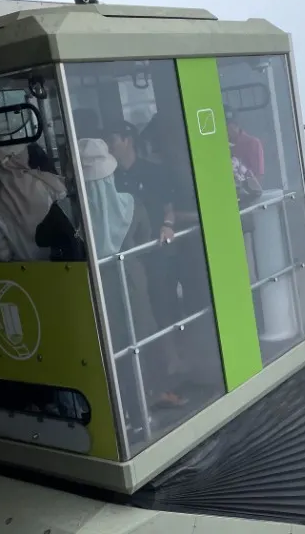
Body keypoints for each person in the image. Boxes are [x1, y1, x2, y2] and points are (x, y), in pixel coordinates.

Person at [79, 137, 185, 410]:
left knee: (110, 341)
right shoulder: (132, 204)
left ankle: (121, 402)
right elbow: (145, 239)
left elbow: (47, 238)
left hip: (91, 284)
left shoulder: (71, 209)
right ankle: (152, 393)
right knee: (142, 335)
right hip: (131, 278)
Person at [0, 144, 69, 262]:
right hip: (66, 263)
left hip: (27, 272)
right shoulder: (49, 182)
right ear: (24, 155)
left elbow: (1, 253)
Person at [225, 108, 265, 181]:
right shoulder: (219, 147)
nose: (225, 129)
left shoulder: (252, 143)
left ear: (236, 125)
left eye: (227, 125)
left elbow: (258, 176)